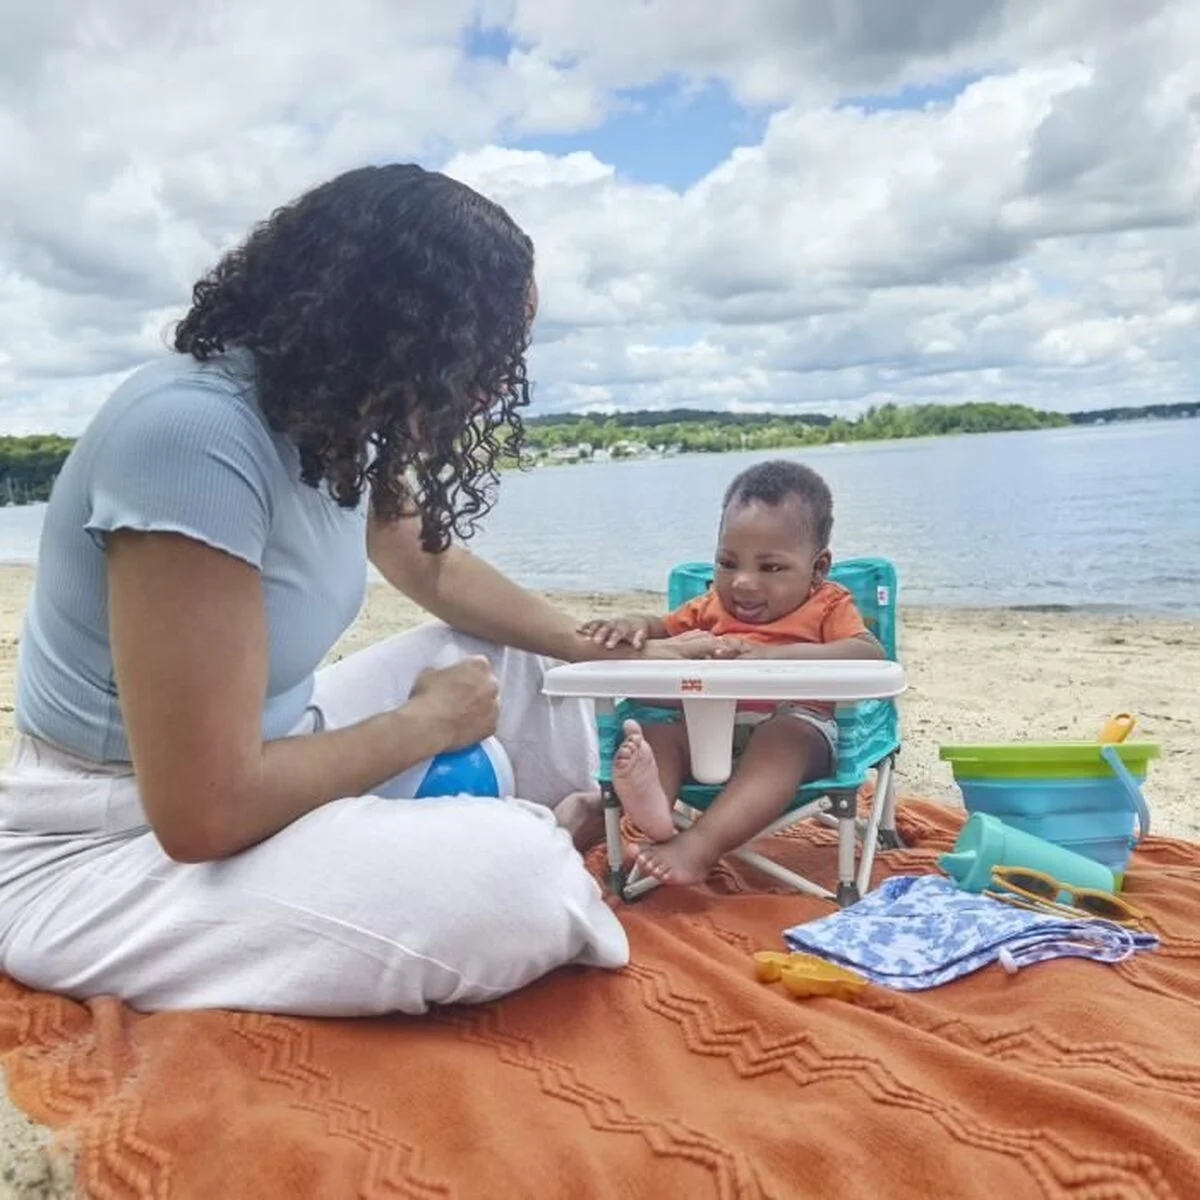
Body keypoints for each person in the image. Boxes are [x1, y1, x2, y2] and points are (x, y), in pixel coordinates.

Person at [0, 164, 693, 1017]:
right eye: (476, 347)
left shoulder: (331, 419)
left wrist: (612, 643)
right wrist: (422, 726)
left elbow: (431, 566)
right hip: (113, 842)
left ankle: (531, 827)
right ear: (390, 325)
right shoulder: (192, 438)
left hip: (276, 751)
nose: (486, 384)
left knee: (510, 660)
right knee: (515, 884)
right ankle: (522, 843)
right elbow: (201, 814)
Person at [579, 460, 885, 886]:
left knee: (784, 737)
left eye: (770, 567)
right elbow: (660, 628)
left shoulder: (828, 605)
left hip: (799, 730)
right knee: (654, 735)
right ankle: (654, 811)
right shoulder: (710, 606)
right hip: (709, 734)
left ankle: (699, 844)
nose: (741, 583)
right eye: (727, 562)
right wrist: (634, 623)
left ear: (817, 569)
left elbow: (869, 653)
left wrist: (772, 658)